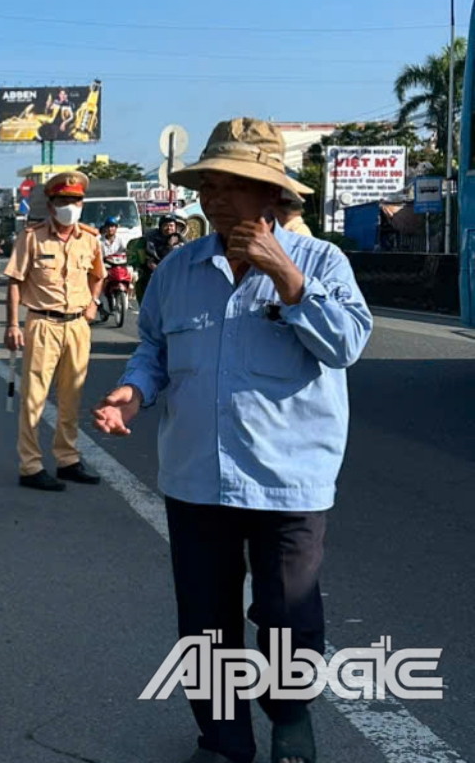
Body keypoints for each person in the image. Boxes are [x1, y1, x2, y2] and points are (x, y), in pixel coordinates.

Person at [93, 118, 372, 763]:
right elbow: (155, 349)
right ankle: (222, 741)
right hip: (195, 479)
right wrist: (133, 392)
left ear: (274, 197)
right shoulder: (177, 269)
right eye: (206, 185)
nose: (213, 198)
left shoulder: (322, 262)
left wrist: (288, 279)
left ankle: (291, 718)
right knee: (206, 624)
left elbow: (347, 345)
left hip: (288, 482)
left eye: (232, 185)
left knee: (287, 620)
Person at [3, 172, 106, 492]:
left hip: (77, 325)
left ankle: (67, 460)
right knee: (34, 398)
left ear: (82, 204)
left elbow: (98, 275)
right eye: (63, 201)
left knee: (71, 397)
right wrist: (11, 324)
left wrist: (93, 304)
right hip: (43, 323)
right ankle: (30, 465)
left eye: (75, 201)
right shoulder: (32, 238)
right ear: (50, 205)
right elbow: (15, 282)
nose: (70, 207)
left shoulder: (89, 238)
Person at [132, 214, 180, 303]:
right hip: (155, 274)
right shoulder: (151, 240)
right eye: (165, 225)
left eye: (171, 225)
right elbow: (150, 261)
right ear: (160, 227)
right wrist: (169, 246)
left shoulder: (180, 239)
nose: (169, 228)